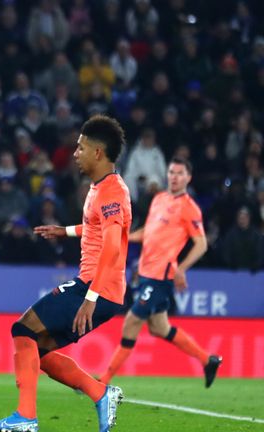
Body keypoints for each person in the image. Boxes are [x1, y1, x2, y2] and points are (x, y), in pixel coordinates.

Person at [0, 115, 131, 432]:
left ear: (98, 153)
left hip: (96, 288)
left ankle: (25, 418)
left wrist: (90, 297)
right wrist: (64, 231)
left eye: (80, 147)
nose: (75, 153)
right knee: (40, 349)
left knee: (23, 329)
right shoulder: (100, 188)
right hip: (96, 287)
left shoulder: (112, 193)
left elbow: (113, 247)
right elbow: (95, 228)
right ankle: (101, 393)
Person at [100, 158, 222, 387]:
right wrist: (125, 238)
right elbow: (150, 231)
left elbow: (201, 244)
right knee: (159, 328)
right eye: (172, 172)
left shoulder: (190, 208)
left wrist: (181, 269)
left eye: (180, 173)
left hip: (160, 278)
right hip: (146, 273)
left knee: (131, 322)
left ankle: (103, 380)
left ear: (188, 178)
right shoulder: (159, 199)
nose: (174, 177)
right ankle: (208, 360)